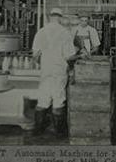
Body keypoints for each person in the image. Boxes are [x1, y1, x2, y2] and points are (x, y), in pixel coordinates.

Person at [31, 8, 82, 137]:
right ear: (60, 18)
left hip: (46, 71)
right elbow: (69, 56)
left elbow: (35, 55)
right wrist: (80, 55)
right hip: (58, 72)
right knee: (58, 100)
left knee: (43, 99)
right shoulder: (64, 33)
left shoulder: (41, 32)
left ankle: (37, 130)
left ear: (50, 17)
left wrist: (43, 64)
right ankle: (59, 132)